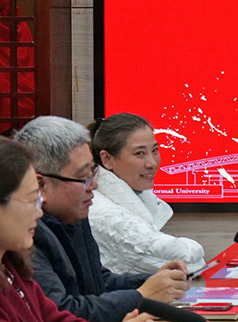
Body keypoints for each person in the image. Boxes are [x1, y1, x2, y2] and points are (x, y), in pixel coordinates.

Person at [14, 117, 189, 322]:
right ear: (40, 185)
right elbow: (63, 312)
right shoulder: (26, 236)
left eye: (93, 172)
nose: (94, 185)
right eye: (83, 177)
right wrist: (141, 295)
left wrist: (153, 281)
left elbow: (98, 282)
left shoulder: (75, 214)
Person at [0, 137, 156, 322]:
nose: (38, 212)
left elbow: (56, 318)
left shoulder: (12, 266)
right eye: (32, 199)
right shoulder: (29, 247)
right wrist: (141, 294)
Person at [87, 114, 206, 273]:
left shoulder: (128, 198)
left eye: (155, 150)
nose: (152, 163)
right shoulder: (107, 215)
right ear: (107, 159)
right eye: (140, 153)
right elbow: (186, 262)